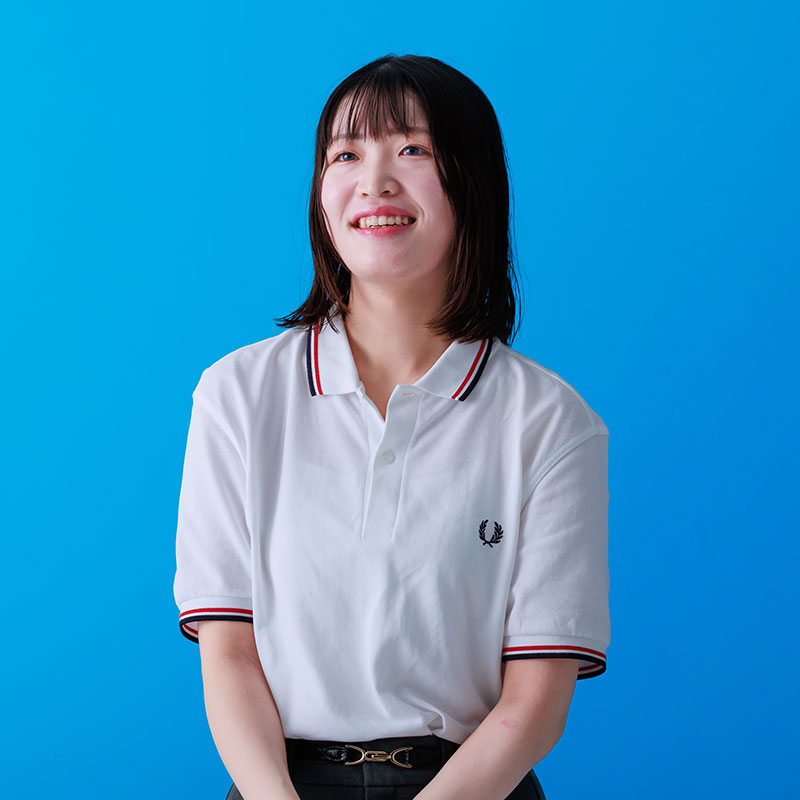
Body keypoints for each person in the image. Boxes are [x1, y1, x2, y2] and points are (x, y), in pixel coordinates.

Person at [173, 53, 610, 800]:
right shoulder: (237, 394)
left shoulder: (550, 421)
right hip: (280, 783)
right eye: (346, 154)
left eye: (413, 150)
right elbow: (229, 654)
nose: (374, 182)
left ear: (473, 183)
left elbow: (534, 704)